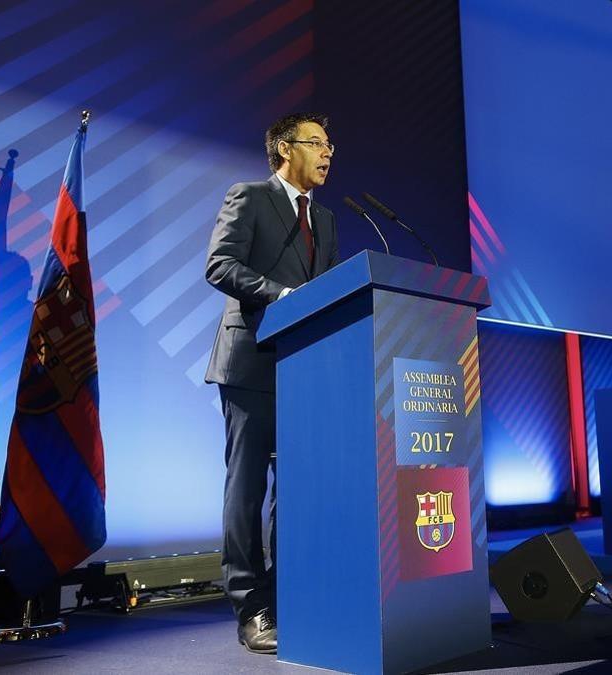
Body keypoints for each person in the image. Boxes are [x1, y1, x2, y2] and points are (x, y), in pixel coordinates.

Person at [204, 113, 340, 654]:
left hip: (304, 365)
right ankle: (250, 605)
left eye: (331, 145)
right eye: (317, 143)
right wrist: (280, 296)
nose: (328, 153)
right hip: (251, 362)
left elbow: (329, 286)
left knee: (297, 491)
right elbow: (220, 265)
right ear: (285, 148)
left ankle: (289, 598)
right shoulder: (250, 196)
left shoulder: (325, 219)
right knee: (248, 487)